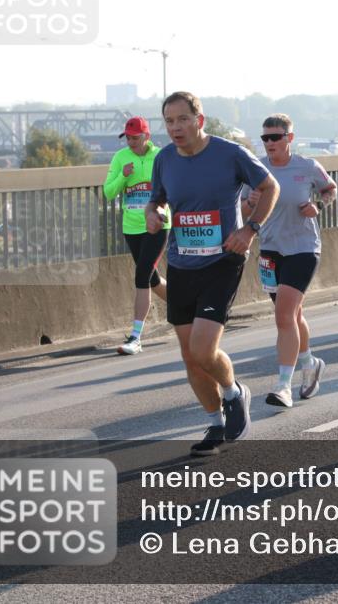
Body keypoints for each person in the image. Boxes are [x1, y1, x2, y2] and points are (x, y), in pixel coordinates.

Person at [147, 91, 279, 457]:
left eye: (182, 119)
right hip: (181, 260)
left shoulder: (230, 154)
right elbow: (155, 200)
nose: (175, 128)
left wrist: (249, 229)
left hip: (223, 259)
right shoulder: (164, 159)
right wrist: (152, 214)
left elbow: (270, 187)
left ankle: (235, 392)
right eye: (169, 121)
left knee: (204, 348)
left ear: (199, 120)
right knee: (190, 356)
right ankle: (216, 424)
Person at [241, 114, 337, 408]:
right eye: (265, 138)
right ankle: (310, 363)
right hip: (270, 250)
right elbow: (243, 210)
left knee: (284, 315)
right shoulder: (256, 170)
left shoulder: (306, 166)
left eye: (275, 137)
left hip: (304, 248)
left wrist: (318, 205)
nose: (269, 143)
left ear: (289, 138)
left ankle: (283, 385)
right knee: (293, 316)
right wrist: (252, 203)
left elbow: (329, 190)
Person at [103, 116, 169, 355]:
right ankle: (185, 307)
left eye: (135, 137)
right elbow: (109, 192)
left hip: (158, 224)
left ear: (147, 136)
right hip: (131, 227)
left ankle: (135, 337)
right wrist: (123, 175)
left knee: (142, 275)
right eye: (128, 137)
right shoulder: (120, 158)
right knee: (151, 279)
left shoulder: (161, 156)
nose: (131, 142)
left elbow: (174, 186)